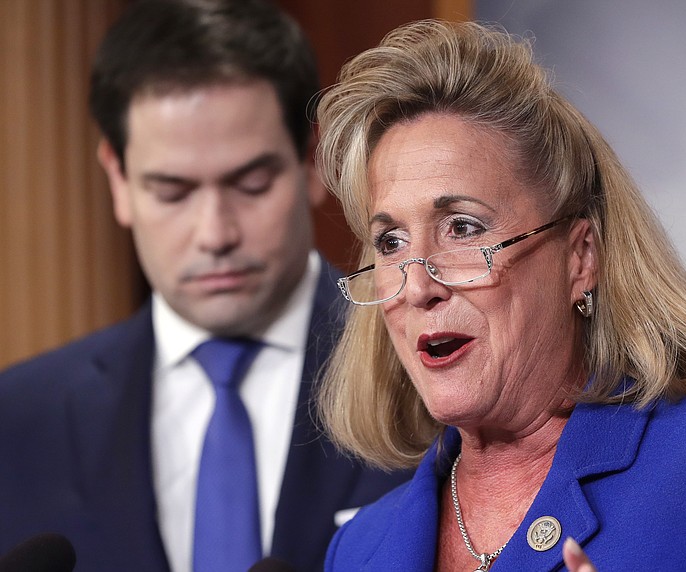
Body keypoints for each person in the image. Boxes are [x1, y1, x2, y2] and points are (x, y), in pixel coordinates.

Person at [314, 20, 686, 571]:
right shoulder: (358, 549)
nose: (419, 286)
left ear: (580, 258)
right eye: (391, 241)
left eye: (464, 229)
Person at [0, 1, 411, 571]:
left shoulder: (422, 370)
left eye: (251, 183)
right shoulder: (18, 421)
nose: (215, 233)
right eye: (172, 192)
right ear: (117, 179)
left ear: (313, 161)